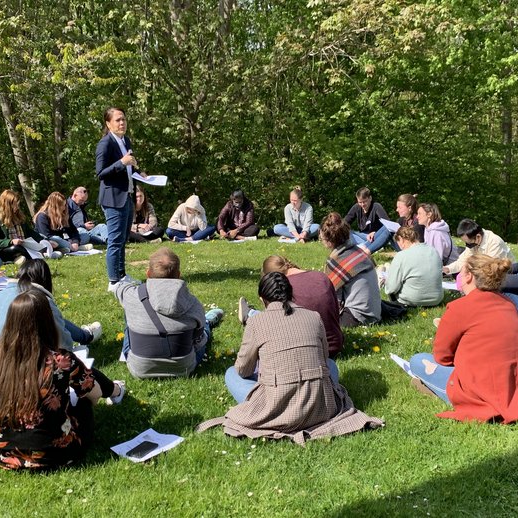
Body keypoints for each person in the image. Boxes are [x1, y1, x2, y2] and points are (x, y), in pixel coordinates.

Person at [197, 272, 383, 445]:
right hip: (320, 405)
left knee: (231, 373)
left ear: (262, 299)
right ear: (291, 294)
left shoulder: (256, 322)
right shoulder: (313, 316)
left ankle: (271, 410)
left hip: (275, 406)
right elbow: (324, 357)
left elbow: (243, 370)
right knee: (331, 365)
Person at [408, 255, 518, 423]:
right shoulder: (508, 303)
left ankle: (445, 392)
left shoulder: (459, 307)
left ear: (469, 276)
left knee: (418, 360)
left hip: (485, 390)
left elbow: (442, 357)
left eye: (461, 272)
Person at [0, 290, 125, 471]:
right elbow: (94, 396)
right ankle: (116, 390)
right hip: (54, 455)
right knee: (84, 403)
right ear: (48, 322)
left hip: (3, 454)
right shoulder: (60, 360)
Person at [0, 259, 102, 381]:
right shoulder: (37, 301)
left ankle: (86, 335)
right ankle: (87, 336)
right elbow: (64, 346)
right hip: (10, 380)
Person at [112, 248, 224, 378]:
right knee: (203, 328)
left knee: (129, 310)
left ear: (148, 273)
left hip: (140, 369)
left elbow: (119, 288)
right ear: (179, 274)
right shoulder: (194, 304)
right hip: (183, 368)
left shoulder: (131, 295)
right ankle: (207, 322)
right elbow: (199, 342)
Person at [255, 255, 345, 357]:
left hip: (304, 348)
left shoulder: (282, 288)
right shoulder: (322, 277)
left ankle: (251, 314)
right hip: (334, 344)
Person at [96, 107, 145, 288]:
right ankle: (113, 281)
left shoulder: (125, 140)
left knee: (123, 239)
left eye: (123, 119)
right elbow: (101, 173)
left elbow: (129, 166)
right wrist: (121, 163)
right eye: (117, 120)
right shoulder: (105, 143)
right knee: (115, 240)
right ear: (108, 124)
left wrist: (140, 172)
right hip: (113, 199)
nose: (122, 123)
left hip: (127, 196)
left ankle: (121, 275)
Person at [320, 212, 384, 327]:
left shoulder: (335, 261)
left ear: (328, 240)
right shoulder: (359, 252)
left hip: (358, 315)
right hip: (376, 311)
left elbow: (335, 299)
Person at [382, 226, 443, 307]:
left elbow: (391, 288)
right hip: (436, 299)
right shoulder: (433, 250)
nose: (399, 247)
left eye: (398, 242)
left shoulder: (401, 255)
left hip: (412, 300)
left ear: (401, 239)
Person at [0, 189, 48, 263]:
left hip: (24, 245)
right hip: (6, 249)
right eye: (15, 204)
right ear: (7, 205)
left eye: (17, 204)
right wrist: (11, 241)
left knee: (40, 244)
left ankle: (23, 257)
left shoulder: (19, 216)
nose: (17, 207)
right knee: (16, 248)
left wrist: (43, 240)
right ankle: (29, 256)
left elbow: (29, 232)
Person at [442, 218, 513, 275]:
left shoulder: (495, 242)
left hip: (506, 274)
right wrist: (448, 269)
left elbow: (491, 268)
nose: (467, 245)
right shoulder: (474, 242)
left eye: (469, 243)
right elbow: (463, 261)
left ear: (478, 237)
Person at [342, 187, 392, 254]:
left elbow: (388, 224)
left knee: (386, 229)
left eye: (364, 201)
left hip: (375, 236)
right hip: (362, 236)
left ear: (370, 198)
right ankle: (364, 246)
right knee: (347, 232)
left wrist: (375, 232)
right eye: (360, 202)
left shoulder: (376, 206)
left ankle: (373, 246)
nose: (362, 204)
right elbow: (345, 222)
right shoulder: (356, 207)